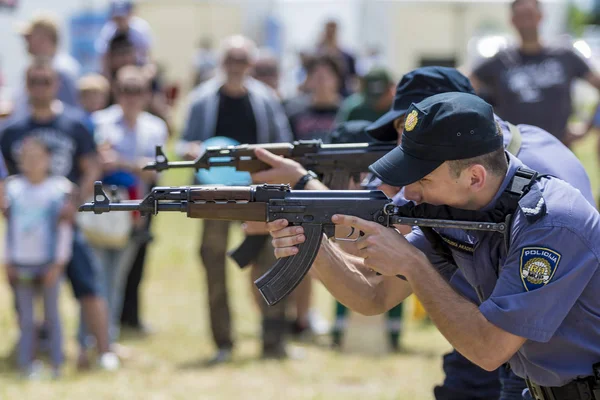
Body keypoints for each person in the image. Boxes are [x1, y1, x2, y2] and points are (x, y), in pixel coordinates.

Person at [251, 66, 597, 400]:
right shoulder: (453, 205)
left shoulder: (551, 219)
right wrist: (313, 243)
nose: (409, 194)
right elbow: (373, 296)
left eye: (422, 179)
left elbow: (488, 349)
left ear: (474, 177)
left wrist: (415, 266)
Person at [176, 34, 293, 363]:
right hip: (213, 193)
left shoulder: (266, 98)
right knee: (213, 260)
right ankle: (223, 342)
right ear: (221, 63)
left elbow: (284, 142)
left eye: (242, 60)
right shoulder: (201, 99)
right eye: (230, 60)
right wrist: (193, 150)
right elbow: (184, 142)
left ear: (251, 65)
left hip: (260, 192)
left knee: (274, 259)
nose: (236, 67)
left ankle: (273, 341)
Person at [0, 57, 118, 371]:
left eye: (46, 81)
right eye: (34, 81)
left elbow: (91, 164)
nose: (40, 87)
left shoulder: (74, 123)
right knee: (25, 290)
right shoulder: (12, 130)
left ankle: (104, 349)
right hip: (26, 227)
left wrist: (75, 201)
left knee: (88, 284)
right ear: (26, 86)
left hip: (67, 222)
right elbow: (5, 176)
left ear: (56, 84)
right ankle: (34, 348)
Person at [91, 65, 167, 343]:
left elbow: (155, 170)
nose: (131, 97)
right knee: (98, 273)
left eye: (137, 90)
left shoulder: (155, 127)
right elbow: (96, 162)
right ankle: (94, 336)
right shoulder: (100, 121)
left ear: (146, 94)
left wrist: (121, 162)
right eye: (125, 90)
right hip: (102, 205)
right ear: (116, 92)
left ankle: (107, 335)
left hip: (135, 208)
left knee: (120, 274)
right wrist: (134, 165)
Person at [331, 69, 405, 351]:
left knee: (395, 260)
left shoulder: (401, 112)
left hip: (389, 189)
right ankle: (340, 332)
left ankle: (394, 335)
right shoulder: (353, 108)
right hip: (353, 187)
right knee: (345, 257)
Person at [468, 0, 600, 148]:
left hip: (558, 148)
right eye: (521, 16)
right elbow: (463, 88)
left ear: (541, 16)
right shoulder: (500, 61)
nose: (526, 21)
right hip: (514, 153)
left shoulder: (564, 56)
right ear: (512, 21)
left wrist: (587, 126)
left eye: (530, 15)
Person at [3, 137, 73, 379]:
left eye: (38, 157)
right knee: (26, 317)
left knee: (52, 314)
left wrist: (58, 262)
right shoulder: (12, 188)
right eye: (27, 158)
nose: (32, 163)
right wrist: (7, 261)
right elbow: (8, 227)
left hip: (48, 262)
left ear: (48, 160)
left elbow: (65, 228)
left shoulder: (59, 188)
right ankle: (26, 363)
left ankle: (57, 362)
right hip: (22, 261)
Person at [13, 12, 81, 114]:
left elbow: (69, 113)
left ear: (43, 38)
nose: (26, 41)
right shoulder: (39, 66)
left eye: (29, 37)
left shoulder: (62, 69)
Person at [285, 54, 344, 141]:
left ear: (337, 80)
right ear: (308, 80)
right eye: (317, 77)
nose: (321, 83)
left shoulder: (346, 111)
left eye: (326, 77)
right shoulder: (295, 113)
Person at [96, 0, 152, 72]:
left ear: (130, 14)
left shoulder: (141, 29)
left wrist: (146, 72)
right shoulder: (107, 31)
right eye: (117, 17)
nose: (119, 21)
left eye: (122, 17)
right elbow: (104, 59)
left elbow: (147, 56)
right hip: (115, 70)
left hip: (138, 67)